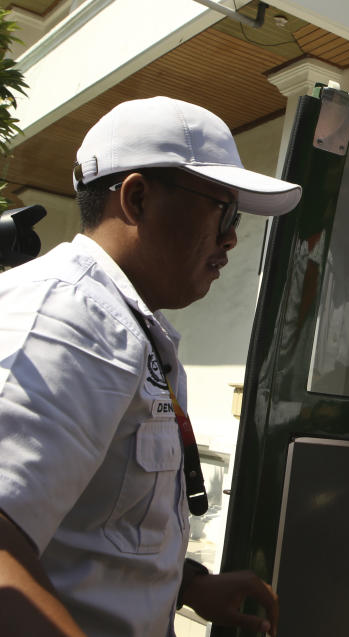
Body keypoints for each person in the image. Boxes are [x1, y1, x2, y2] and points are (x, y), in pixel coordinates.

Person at [0, 96, 301, 636]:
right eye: (223, 211)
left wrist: (185, 584)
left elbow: (92, 521)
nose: (232, 236)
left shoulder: (125, 324)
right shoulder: (64, 318)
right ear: (137, 198)